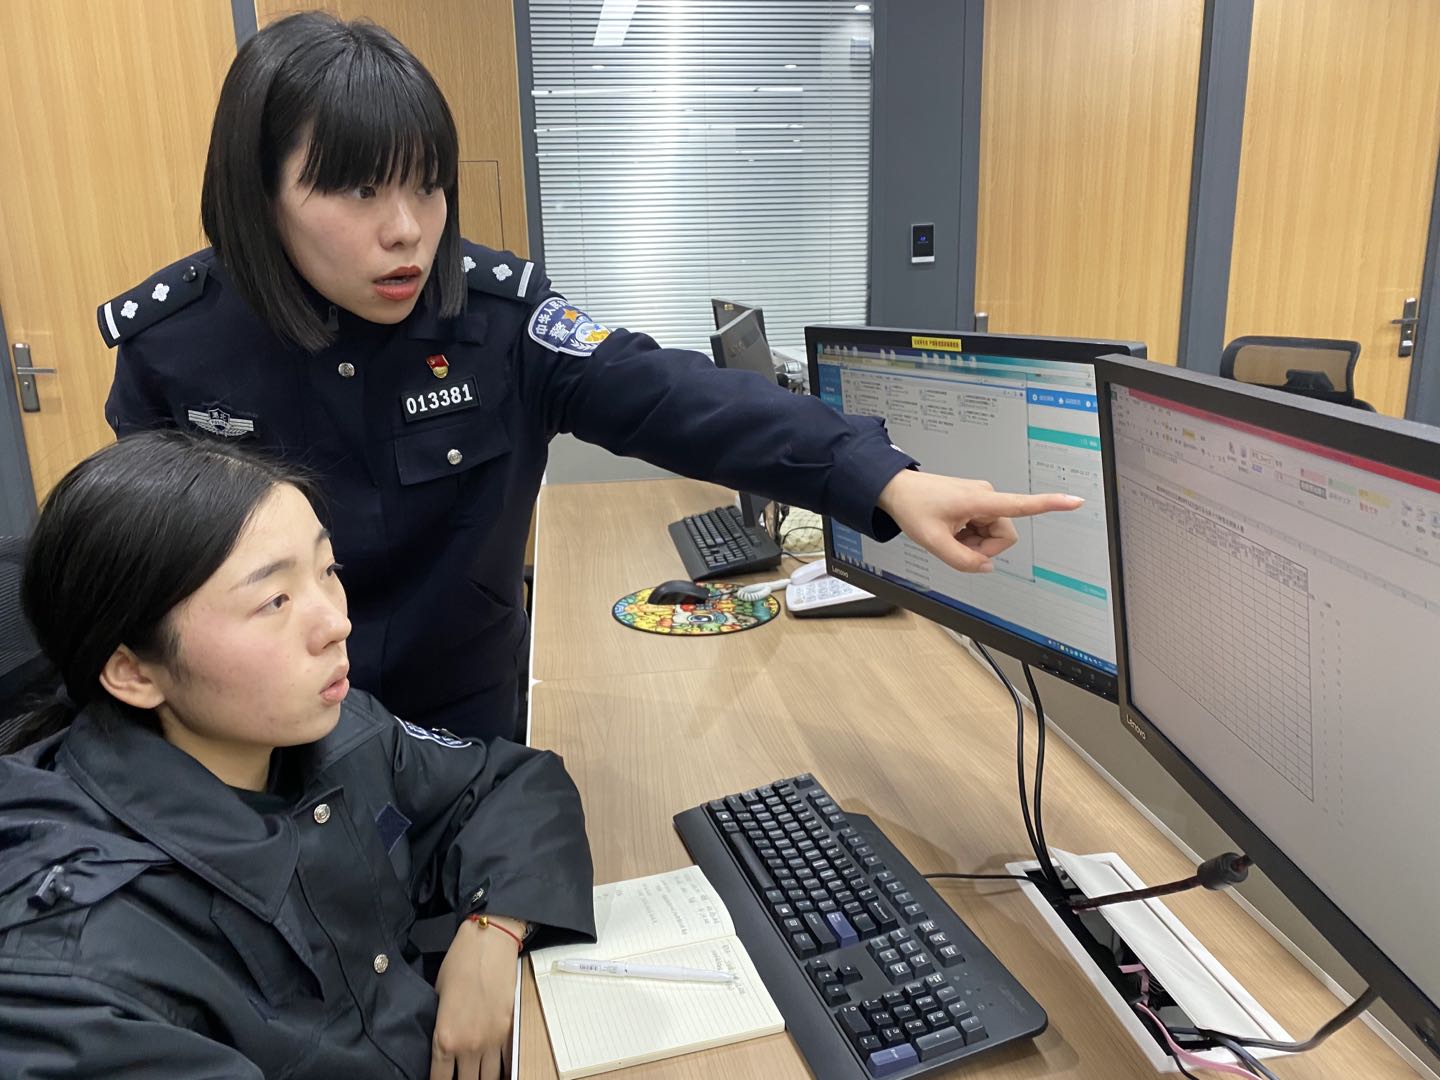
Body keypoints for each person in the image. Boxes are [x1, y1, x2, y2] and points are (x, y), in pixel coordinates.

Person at [98, 12, 1083, 740]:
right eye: (358, 190)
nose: (407, 230)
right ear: (259, 193)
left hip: (466, 730)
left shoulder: (497, 318)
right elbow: (146, 579)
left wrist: (884, 479)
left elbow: (669, 394)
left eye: (428, 185)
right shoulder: (176, 345)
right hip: (268, 750)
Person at [0, 432, 595, 1080]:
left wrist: (493, 929)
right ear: (134, 672)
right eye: (274, 601)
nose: (336, 623)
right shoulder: (72, 979)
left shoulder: (327, 732)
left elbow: (510, 783)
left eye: (327, 571)